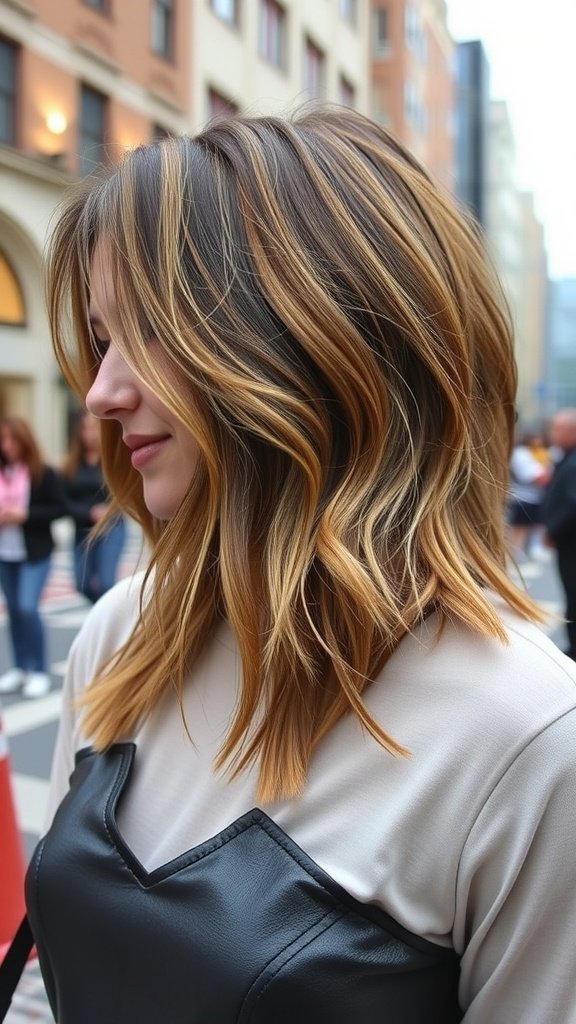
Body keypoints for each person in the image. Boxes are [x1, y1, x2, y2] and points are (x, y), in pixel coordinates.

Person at [30, 108, 576, 1021]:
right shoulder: (122, 630)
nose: (101, 390)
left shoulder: (528, 740)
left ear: (322, 342)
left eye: (151, 331)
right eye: (102, 336)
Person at [0, 416, 65, 699]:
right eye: (3, 440)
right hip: (5, 552)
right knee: (13, 610)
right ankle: (20, 668)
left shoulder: (42, 472)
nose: (7, 446)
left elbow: (60, 508)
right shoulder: (3, 471)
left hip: (35, 552)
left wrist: (25, 516)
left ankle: (39, 670)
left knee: (27, 606)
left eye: (12, 439)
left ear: (24, 440)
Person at [59, 411, 126, 603]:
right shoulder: (71, 464)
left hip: (110, 527)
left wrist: (108, 511)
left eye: (94, 428)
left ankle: (108, 621)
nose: (90, 434)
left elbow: (126, 493)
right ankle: (104, 612)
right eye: (85, 429)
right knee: (82, 583)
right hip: (82, 529)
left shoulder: (114, 459)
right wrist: (88, 512)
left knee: (106, 583)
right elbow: (63, 501)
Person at [542, 407, 576, 660]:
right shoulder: (567, 457)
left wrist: (553, 530)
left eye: (556, 429)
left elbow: (572, 502)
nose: (551, 434)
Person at [506, 429, 552, 557]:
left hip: (536, 497)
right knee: (520, 528)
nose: (537, 442)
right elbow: (540, 479)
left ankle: (527, 551)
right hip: (523, 497)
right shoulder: (521, 454)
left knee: (535, 526)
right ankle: (514, 554)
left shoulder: (540, 453)